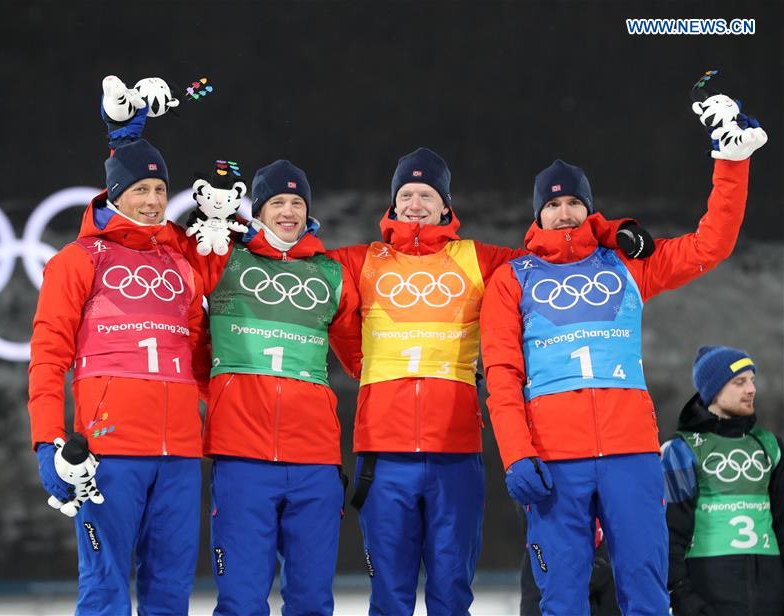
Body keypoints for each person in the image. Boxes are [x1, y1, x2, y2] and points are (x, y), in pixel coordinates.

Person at [327, 147, 650, 615]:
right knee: (389, 596)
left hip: (455, 452)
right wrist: (361, 362)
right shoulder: (362, 260)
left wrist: (608, 229)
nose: (416, 203)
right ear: (393, 205)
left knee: (452, 592)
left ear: (446, 205)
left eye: (427, 194)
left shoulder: (479, 260)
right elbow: (301, 267)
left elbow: (557, 247)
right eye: (406, 194)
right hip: (383, 452)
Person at [481, 93, 767, 615]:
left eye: (574, 204)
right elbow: (501, 374)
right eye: (554, 204)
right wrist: (516, 453)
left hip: (630, 453)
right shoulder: (511, 281)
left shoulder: (626, 266)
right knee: (561, 597)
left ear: (591, 210)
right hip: (554, 456)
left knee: (645, 590)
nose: (565, 213)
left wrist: (732, 164)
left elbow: (709, 245)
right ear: (538, 213)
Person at [28, 136, 209, 615]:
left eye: (158, 189)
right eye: (139, 190)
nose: (152, 201)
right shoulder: (78, 260)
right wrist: (47, 441)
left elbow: (196, 352)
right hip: (111, 452)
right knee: (105, 586)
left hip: (180, 454)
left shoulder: (182, 263)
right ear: (113, 194)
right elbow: (48, 358)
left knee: (170, 591)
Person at [182, 160, 361, 616]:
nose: (288, 211)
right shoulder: (224, 258)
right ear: (256, 210)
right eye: (277, 202)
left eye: (297, 202)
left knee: (312, 602)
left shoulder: (331, 275)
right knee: (241, 602)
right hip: (242, 457)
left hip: (315, 462)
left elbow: (363, 357)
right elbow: (191, 335)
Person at [661, 346, 784, 616]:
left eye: (752, 380)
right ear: (713, 390)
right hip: (708, 598)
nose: (751, 389)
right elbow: (668, 535)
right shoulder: (681, 450)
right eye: (739, 382)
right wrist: (683, 599)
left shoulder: (770, 446)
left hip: (771, 598)